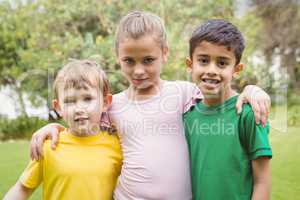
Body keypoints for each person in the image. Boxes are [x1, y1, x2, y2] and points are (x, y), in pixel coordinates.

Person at [29, 11, 271, 200]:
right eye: (129, 61)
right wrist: (54, 128)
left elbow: (220, 91)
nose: (139, 70)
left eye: (148, 60)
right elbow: (82, 127)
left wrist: (252, 90)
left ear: (164, 54)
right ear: (118, 58)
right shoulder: (112, 106)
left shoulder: (185, 93)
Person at [4, 59, 122, 200]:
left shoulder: (118, 146)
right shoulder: (49, 145)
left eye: (87, 98)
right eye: (69, 101)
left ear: (105, 103)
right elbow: (22, 189)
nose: (79, 108)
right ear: (58, 107)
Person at [184, 19, 272, 200]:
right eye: (203, 60)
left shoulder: (248, 114)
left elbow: (262, 181)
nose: (211, 70)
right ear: (190, 65)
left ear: (236, 69)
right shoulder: (188, 116)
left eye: (222, 63)